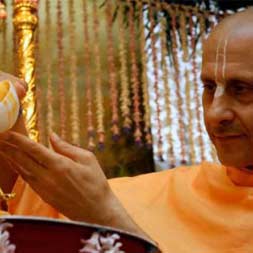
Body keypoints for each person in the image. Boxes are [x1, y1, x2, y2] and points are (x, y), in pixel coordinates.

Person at [1, 7, 253, 252]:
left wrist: (107, 219)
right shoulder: (175, 191)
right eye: (209, 87)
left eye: (241, 89)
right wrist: (7, 117)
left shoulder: (107, 207)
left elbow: (98, 211)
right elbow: (42, 224)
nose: (215, 113)